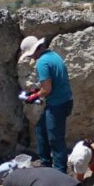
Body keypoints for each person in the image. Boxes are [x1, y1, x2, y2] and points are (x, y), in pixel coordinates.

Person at [19, 36, 73, 173]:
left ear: (35, 51)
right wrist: (38, 91)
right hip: (65, 100)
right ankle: (45, 164)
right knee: (41, 130)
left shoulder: (42, 62)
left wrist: (33, 96)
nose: (32, 58)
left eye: (31, 55)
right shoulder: (53, 55)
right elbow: (53, 83)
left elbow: (47, 89)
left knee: (55, 139)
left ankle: (60, 172)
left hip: (57, 104)